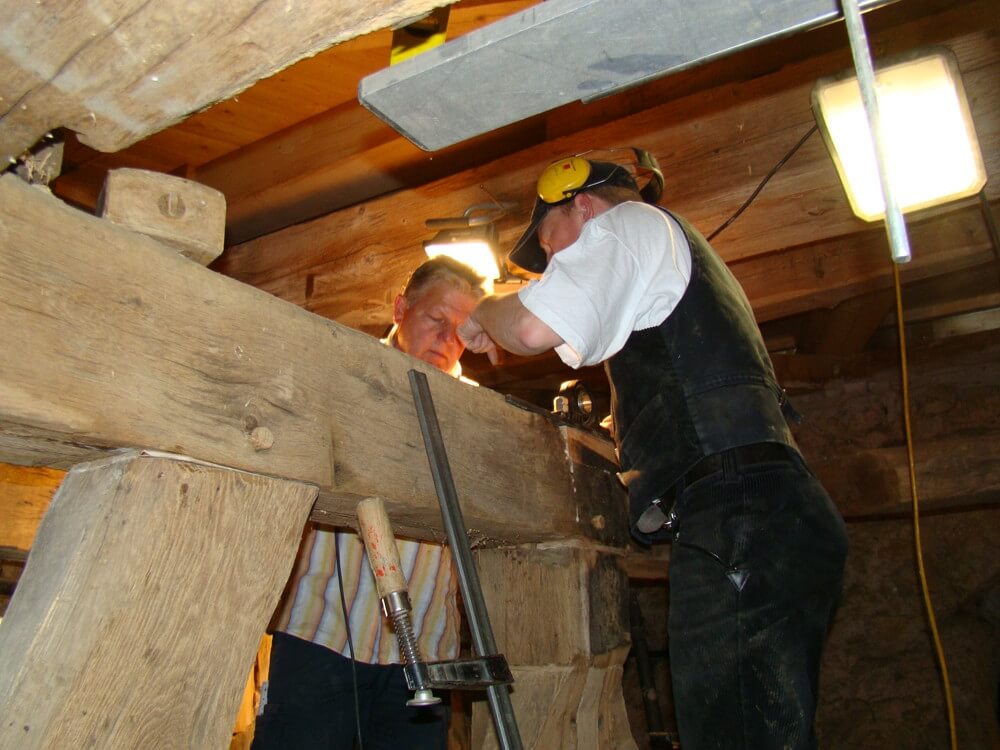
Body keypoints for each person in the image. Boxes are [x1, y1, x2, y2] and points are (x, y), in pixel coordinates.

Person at [458, 151, 848, 750]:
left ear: (582, 206)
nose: (554, 264)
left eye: (551, 242)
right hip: (758, 513)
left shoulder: (630, 225)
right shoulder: (669, 263)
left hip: (740, 512)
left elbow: (533, 329)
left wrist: (485, 307)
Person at [252, 256, 487, 750]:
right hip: (325, 631)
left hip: (424, 640)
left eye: (462, 331)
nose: (447, 340)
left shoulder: (477, 411)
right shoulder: (339, 374)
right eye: (436, 320)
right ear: (401, 308)